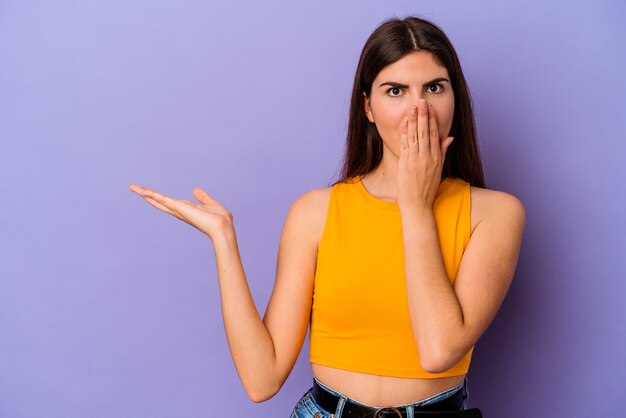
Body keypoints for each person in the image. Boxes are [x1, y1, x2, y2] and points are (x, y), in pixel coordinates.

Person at [128, 16, 525, 417]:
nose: (417, 109)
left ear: (455, 99)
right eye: (395, 91)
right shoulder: (315, 213)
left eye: (434, 88)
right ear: (368, 107)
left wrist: (417, 206)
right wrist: (223, 238)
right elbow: (261, 379)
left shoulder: (495, 214)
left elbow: (439, 350)